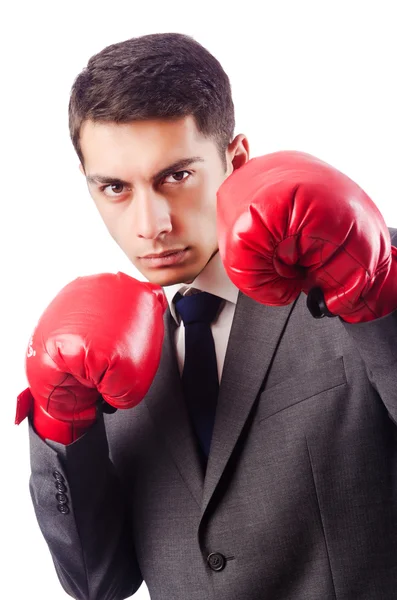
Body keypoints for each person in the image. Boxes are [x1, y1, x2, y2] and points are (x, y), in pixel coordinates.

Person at [16, 31, 397, 600]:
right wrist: (61, 426)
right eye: (116, 187)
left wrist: (379, 296)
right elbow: (100, 581)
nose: (150, 224)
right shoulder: (99, 349)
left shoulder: (352, 270)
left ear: (235, 159)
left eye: (176, 176)